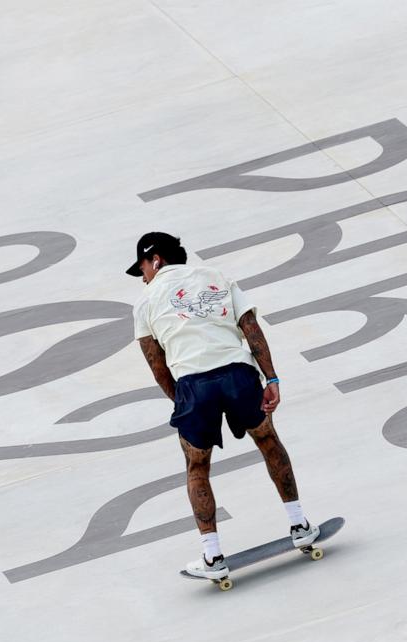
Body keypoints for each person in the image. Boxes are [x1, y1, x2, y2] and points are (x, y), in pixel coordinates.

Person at [127, 231, 319, 579]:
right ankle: (300, 525)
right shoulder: (216, 276)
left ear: (156, 260)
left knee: (196, 466)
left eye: (142, 268)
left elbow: (157, 365)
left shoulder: (145, 301)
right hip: (238, 374)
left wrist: (184, 402)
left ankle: (213, 558)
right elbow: (250, 326)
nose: (142, 277)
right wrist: (271, 378)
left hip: (192, 384)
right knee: (268, 441)